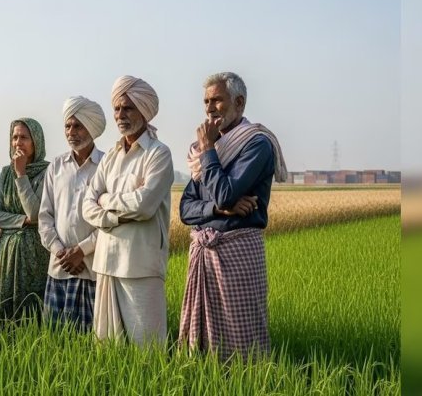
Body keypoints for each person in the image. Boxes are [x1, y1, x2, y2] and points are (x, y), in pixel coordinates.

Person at [178, 71, 288, 360]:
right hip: (203, 252)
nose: (209, 108)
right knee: (201, 342)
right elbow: (186, 209)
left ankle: (249, 380)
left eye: (217, 100)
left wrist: (208, 150)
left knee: (241, 338)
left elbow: (225, 192)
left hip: (237, 252)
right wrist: (216, 209)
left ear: (239, 103)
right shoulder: (206, 153)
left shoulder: (256, 144)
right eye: (206, 102)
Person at [81, 76, 174, 346]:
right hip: (106, 262)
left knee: (147, 348)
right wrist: (113, 214)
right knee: (107, 347)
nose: (120, 115)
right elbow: (87, 204)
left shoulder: (158, 154)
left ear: (143, 111)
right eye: (117, 108)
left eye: (128, 108)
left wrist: (105, 199)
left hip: (140, 263)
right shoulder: (110, 156)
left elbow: (144, 205)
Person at [38, 96, 106, 331]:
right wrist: (61, 253)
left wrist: (81, 252)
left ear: (91, 128)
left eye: (78, 126)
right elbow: (45, 217)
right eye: (67, 126)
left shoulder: (107, 165)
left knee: (93, 341)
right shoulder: (56, 166)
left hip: (93, 270)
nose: (71, 132)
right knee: (55, 340)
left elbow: (111, 221)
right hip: (59, 269)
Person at [0, 118, 51, 321]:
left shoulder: (48, 172)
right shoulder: (6, 173)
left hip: (35, 252)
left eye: (24, 137)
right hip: (6, 253)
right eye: (14, 137)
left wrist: (21, 173)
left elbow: (35, 213)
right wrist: (23, 221)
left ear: (36, 141)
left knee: (33, 307)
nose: (18, 142)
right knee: (6, 309)